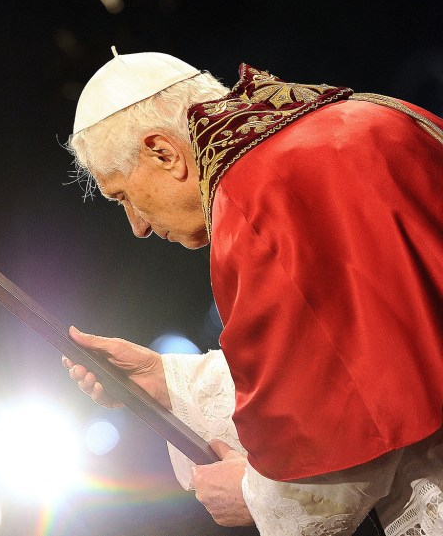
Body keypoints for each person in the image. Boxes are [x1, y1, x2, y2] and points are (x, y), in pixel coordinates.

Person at [60, 52, 443, 535]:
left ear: (163, 152)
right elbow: (369, 349)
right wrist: (167, 382)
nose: (136, 225)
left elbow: (352, 424)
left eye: (123, 197)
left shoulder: (256, 198)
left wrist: (255, 497)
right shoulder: (357, 119)